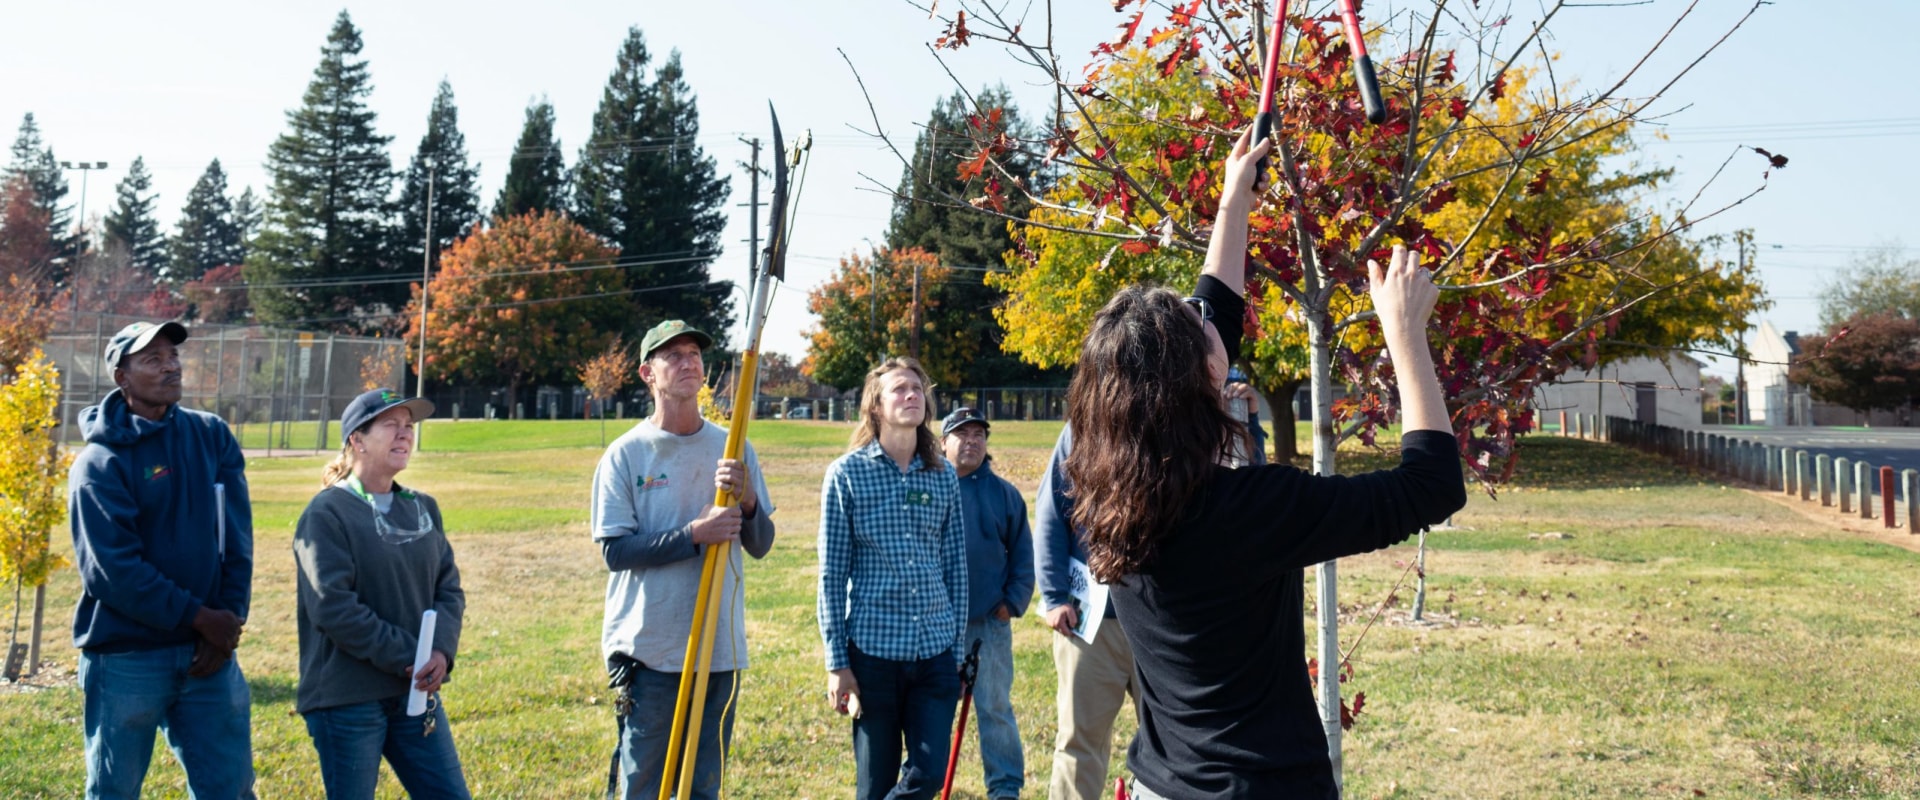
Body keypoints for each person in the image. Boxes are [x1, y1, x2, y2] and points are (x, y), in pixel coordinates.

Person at [1067, 130, 1468, 798]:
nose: (1208, 318)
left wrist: (1234, 202)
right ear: (1200, 380)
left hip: (1163, 787)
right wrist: (1404, 337)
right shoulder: (1249, 511)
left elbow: (1216, 309)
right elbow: (1431, 487)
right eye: (1200, 333)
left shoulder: (1108, 491)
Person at [69, 320, 256, 799]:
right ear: (121, 377)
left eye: (173, 355)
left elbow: (236, 540)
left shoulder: (210, 435)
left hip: (208, 653)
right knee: (114, 790)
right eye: (152, 359)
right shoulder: (99, 463)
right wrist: (200, 618)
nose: (170, 365)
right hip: (127, 657)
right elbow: (113, 573)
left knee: (231, 789)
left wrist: (228, 621)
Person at [593, 320, 775, 800]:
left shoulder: (733, 447)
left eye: (694, 352)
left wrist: (750, 500)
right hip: (650, 650)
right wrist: (693, 536)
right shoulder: (625, 454)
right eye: (672, 354)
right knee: (643, 783)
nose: (688, 361)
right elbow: (616, 550)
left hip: (718, 649)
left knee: (702, 785)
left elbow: (760, 544)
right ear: (647, 373)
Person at [293, 388, 469, 799]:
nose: (404, 434)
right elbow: (333, 607)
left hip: (415, 693)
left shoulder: (422, 507)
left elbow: (449, 589)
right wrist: (411, 655)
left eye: (408, 427)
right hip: (347, 698)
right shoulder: (326, 514)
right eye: (391, 425)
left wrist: (440, 651)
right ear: (357, 439)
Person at [817, 357, 968, 800]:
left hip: (935, 654)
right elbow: (831, 574)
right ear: (876, 407)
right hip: (872, 658)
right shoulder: (846, 475)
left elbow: (956, 569)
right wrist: (837, 663)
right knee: (874, 784)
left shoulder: (943, 476)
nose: (911, 395)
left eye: (918, 389)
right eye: (899, 389)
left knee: (929, 777)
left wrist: (955, 654)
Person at [940, 406, 1034, 800]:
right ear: (943, 442)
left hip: (988, 625)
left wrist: (1011, 602)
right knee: (934, 708)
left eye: (979, 434)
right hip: (936, 624)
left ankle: (1005, 787)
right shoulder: (932, 490)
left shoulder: (1005, 495)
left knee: (995, 708)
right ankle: (925, 779)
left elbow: (1023, 556)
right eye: (962, 434)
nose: (972, 441)